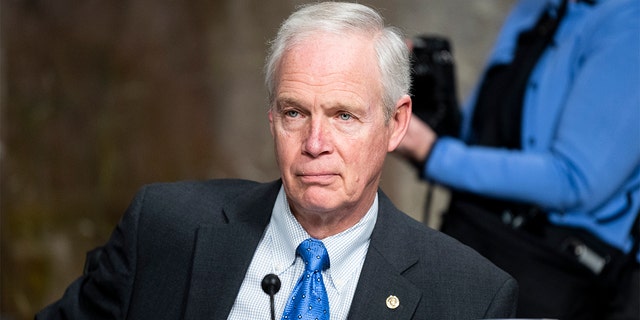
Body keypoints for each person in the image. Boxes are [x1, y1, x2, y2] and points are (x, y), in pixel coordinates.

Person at [35, 2, 518, 320]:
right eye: (295, 113)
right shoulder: (163, 228)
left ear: (395, 124)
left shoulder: (470, 297)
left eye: (344, 115)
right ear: (272, 118)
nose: (315, 142)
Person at [396, 0, 639, 319]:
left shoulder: (629, 23)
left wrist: (434, 153)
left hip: (547, 275)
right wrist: (431, 116)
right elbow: (482, 144)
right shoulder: (535, 8)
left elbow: (575, 181)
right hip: (469, 239)